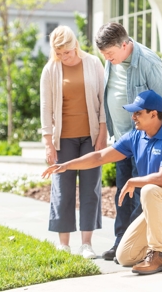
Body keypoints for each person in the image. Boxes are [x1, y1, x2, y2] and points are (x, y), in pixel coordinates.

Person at [42, 90, 162, 274]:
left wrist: (134, 181)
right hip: (156, 207)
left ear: (154, 114)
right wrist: (67, 165)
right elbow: (100, 156)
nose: (133, 117)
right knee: (125, 256)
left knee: (149, 190)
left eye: (138, 113)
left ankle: (158, 255)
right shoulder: (136, 137)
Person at [94, 22, 162, 261]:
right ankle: (121, 241)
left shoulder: (148, 62)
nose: (107, 58)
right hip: (122, 139)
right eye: (103, 55)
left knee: (142, 193)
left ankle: (137, 245)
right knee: (124, 192)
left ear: (125, 44)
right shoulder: (112, 60)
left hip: (147, 141)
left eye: (110, 53)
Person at [40, 25, 107, 259]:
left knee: (91, 188)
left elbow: (103, 100)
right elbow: (46, 108)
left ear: (75, 45)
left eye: (66, 52)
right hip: (63, 139)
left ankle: (86, 244)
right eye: (58, 53)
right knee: (62, 189)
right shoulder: (50, 70)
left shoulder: (93, 63)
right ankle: (63, 243)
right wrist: (48, 142)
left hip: (90, 136)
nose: (63, 57)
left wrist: (102, 133)